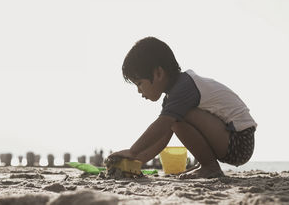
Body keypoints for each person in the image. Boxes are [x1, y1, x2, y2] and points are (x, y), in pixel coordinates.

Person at [109, 37, 257, 178]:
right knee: (174, 120)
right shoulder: (173, 98)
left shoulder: (184, 88)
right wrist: (137, 160)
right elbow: (162, 138)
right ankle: (207, 165)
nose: (139, 91)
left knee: (175, 119)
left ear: (158, 73)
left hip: (240, 141)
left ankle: (210, 166)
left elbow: (162, 125)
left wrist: (133, 151)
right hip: (229, 139)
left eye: (139, 83)